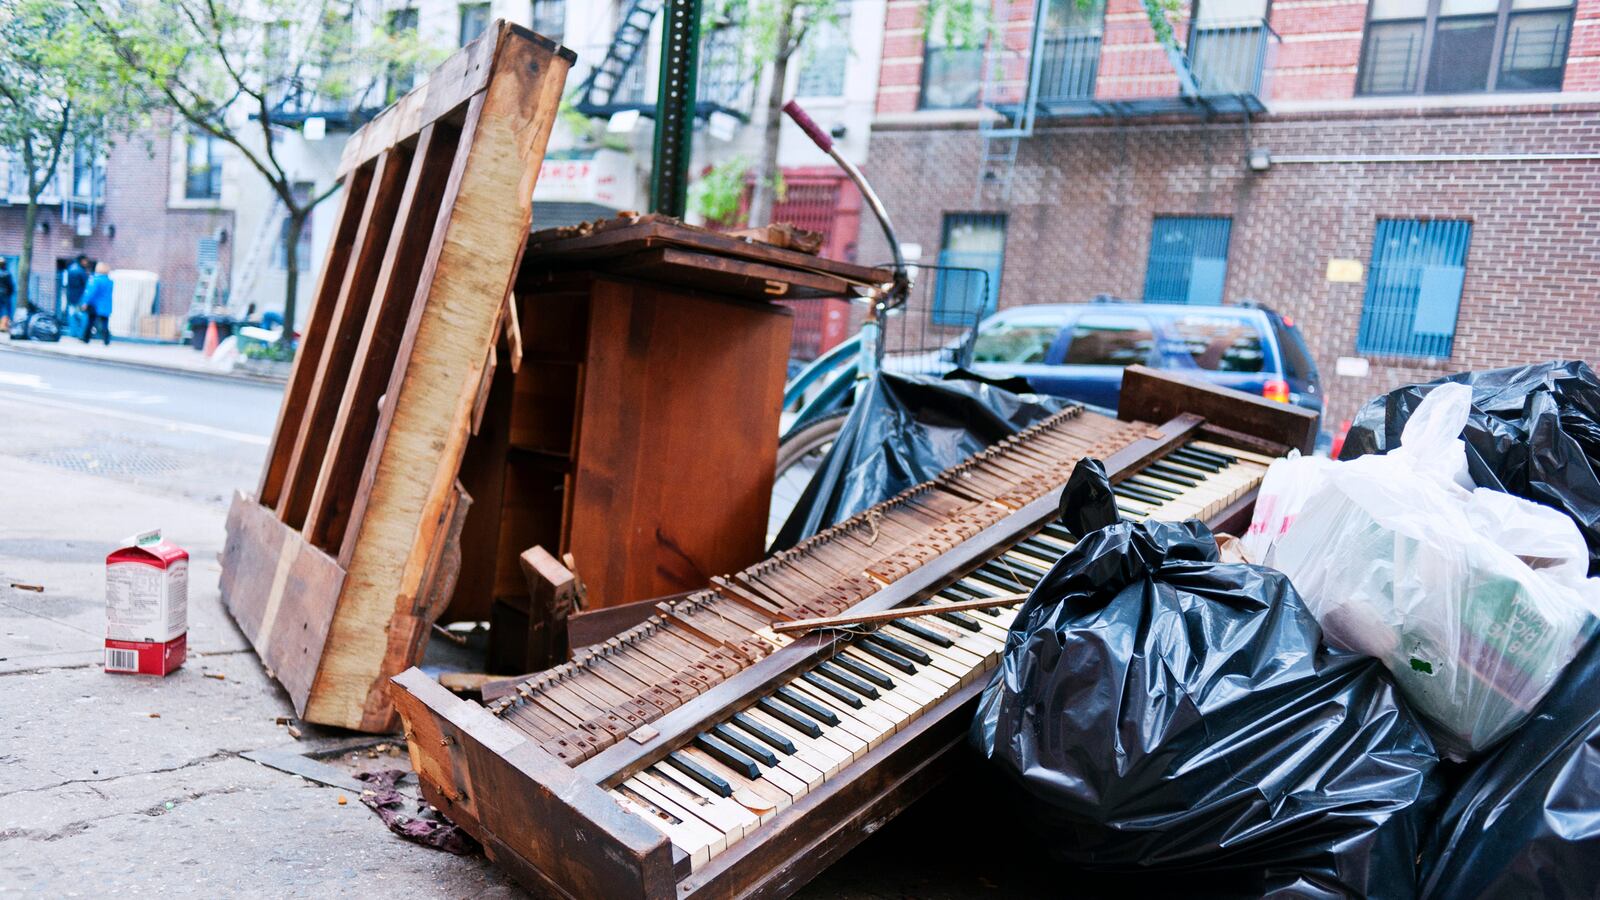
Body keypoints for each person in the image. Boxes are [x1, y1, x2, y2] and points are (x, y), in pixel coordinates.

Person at [79, 262, 114, 345]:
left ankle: (85, 338)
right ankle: (106, 340)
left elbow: (90, 292)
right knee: (105, 323)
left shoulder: (95, 279)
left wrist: (85, 302)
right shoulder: (109, 281)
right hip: (106, 305)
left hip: (95, 305)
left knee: (90, 322)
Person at [0, 259, 13, 333]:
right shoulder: (7, 274)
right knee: (5, 310)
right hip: (5, 294)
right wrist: (9, 293)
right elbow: (10, 286)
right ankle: (3, 326)